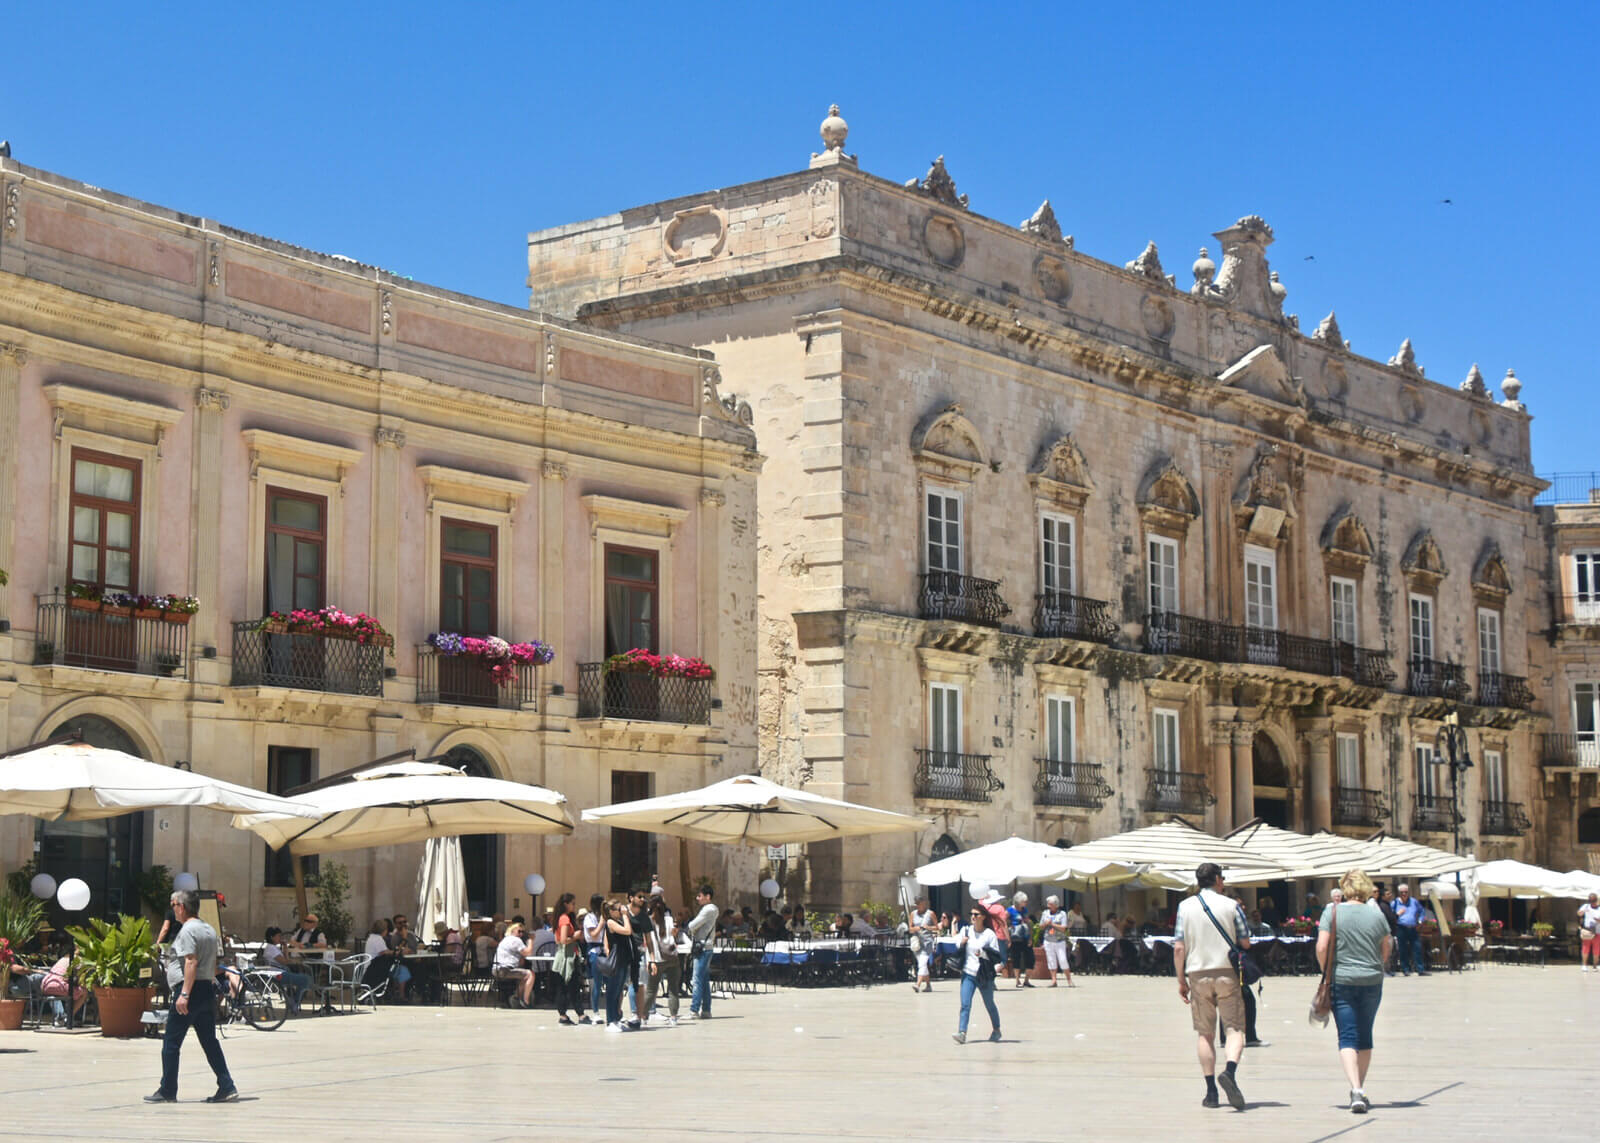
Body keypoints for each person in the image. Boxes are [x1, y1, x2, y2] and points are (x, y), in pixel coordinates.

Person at [147, 888, 236, 1104]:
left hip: (190, 990)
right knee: (209, 1041)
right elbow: (212, 964)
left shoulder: (187, 931)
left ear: (182, 907)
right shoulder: (209, 930)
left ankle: (167, 1090)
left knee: (171, 1042)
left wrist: (184, 994)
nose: (172, 909)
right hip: (206, 989)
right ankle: (226, 1085)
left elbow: (191, 961)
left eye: (173, 905)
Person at [1172, 863, 1249, 1111]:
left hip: (1197, 973)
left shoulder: (1185, 907)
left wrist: (1180, 980)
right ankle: (1230, 1071)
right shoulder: (1231, 905)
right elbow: (1245, 941)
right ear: (1217, 879)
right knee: (1235, 1028)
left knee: (1205, 1033)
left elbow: (1179, 947)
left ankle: (1211, 1092)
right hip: (1227, 971)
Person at [1317, 870, 1393, 1114]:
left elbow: (1321, 946)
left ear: (1344, 888)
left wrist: (1325, 971)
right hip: (1372, 980)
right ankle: (1361, 1088)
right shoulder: (1376, 914)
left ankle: (1356, 1089)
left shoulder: (1333, 911)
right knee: (1365, 1034)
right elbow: (1387, 946)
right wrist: (1378, 965)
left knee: (1347, 1035)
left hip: (1342, 979)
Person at [949, 906, 1001, 1044]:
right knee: (965, 1004)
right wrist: (962, 943)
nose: (973, 916)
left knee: (989, 1003)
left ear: (983, 917)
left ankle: (996, 1029)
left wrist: (983, 953)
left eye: (976, 914)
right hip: (968, 973)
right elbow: (956, 944)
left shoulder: (989, 934)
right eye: (971, 914)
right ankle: (962, 1032)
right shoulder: (966, 930)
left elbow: (996, 956)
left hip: (983, 975)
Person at [550, 893, 589, 1025]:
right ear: (566, 904)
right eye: (572, 903)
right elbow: (563, 940)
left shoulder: (560, 918)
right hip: (567, 957)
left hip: (565, 955)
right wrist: (576, 936)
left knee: (566, 986)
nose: (574, 905)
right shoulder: (564, 919)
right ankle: (579, 1014)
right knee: (571, 985)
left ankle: (565, 1015)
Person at [643, 896, 681, 1025]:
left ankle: (644, 1017)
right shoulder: (669, 920)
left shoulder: (648, 921)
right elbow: (674, 938)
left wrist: (650, 961)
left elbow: (648, 943)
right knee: (673, 989)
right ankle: (674, 1017)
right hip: (672, 958)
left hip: (656, 960)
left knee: (651, 990)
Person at [684, 884, 718, 1020]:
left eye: (700, 896)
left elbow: (692, 925)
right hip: (706, 946)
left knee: (696, 979)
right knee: (703, 980)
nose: (697, 898)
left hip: (703, 948)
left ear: (707, 897)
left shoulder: (708, 909)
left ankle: (694, 1010)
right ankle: (706, 1010)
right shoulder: (710, 909)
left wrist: (690, 926)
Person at [261, 927, 313, 1016]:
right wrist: (294, 961)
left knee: (303, 978)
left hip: (281, 972)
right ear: (271, 937)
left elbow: (286, 959)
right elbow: (285, 962)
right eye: (278, 936)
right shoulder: (271, 949)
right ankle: (294, 1002)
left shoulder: (274, 948)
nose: (280, 938)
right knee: (306, 979)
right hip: (278, 975)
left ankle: (293, 1001)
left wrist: (285, 947)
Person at [600, 898, 634, 1030]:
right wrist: (625, 915)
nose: (621, 911)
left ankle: (616, 1018)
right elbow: (627, 931)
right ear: (611, 911)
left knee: (619, 990)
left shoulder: (618, 921)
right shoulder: (610, 922)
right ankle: (610, 1020)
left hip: (624, 959)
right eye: (619, 909)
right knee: (612, 991)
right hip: (617, 959)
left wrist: (624, 917)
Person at [493, 920, 536, 1009]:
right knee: (530, 974)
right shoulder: (516, 940)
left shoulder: (506, 939)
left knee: (524, 976)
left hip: (497, 968)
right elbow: (528, 953)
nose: (521, 934)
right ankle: (525, 1001)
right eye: (519, 931)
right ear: (512, 931)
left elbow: (521, 962)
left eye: (522, 932)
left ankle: (518, 998)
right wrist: (531, 940)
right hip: (505, 969)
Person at [1392, 884, 1428, 976]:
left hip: (1413, 928)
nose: (1404, 894)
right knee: (1403, 950)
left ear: (1408, 892)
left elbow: (1422, 911)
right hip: (1401, 928)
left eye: (1406, 892)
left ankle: (1420, 969)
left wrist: (1420, 921)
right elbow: (1390, 916)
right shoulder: (1395, 903)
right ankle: (1405, 969)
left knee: (1417, 948)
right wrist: (1397, 915)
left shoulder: (1414, 901)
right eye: (1402, 892)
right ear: (1398, 893)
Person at [1040, 895, 1073, 988]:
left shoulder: (1062, 914)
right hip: (1048, 940)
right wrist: (1045, 924)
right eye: (1048, 904)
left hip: (1059, 941)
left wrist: (1052, 924)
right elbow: (1041, 926)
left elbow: (1063, 928)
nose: (1048, 906)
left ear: (1056, 905)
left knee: (1063, 960)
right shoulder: (1045, 913)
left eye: (1050, 904)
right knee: (1051, 961)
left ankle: (1069, 980)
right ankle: (1053, 980)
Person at [582, 894, 607, 1014]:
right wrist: (602, 923)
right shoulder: (590, 917)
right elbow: (594, 934)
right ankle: (596, 1011)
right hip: (594, 951)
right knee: (596, 983)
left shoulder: (605, 917)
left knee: (610, 982)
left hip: (606, 950)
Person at [910, 895, 940, 994]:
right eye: (916, 904)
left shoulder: (930, 913)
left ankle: (917, 984)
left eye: (919, 903)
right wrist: (916, 929)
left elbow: (937, 928)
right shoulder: (913, 914)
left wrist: (928, 927)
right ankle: (928, 985)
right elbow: (910, 929)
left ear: (924, 903)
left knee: (922, 963)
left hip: (927, 942)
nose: (918, 906)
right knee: (922, 965)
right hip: (917, 943)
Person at [1006, 892, 1034, 989]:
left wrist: (1030, 937)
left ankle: (1026, 980)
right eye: (1024, 901)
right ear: (1019, 901)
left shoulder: (1024, 910)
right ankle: (1017, 980)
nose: (1026, 903)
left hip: (1025, 936)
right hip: (1015, 937)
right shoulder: (1010, 910)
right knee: (1016, 958)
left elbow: (1028, 922)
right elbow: (1003, 922)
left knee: (1030, 958)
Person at [1579, 893, 1600, 972]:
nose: (1592, 902)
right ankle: (1584, 965)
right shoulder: (1586, 906)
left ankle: (1595, 965)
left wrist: (1598, 920)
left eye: (1594, 900)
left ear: (1596, 900)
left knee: (1597, 950)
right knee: (1585, 948)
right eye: (1591, 900)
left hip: (1597, 931)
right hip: (1588, 931)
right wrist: (1582, 911)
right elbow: (1579, 913)